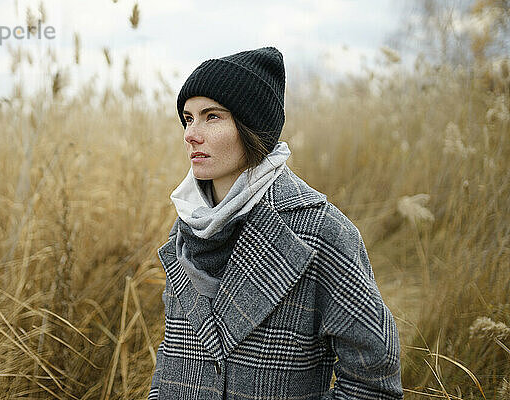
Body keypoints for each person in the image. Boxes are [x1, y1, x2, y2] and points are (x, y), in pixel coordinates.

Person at [148, 47, 403, 400]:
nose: (191, 133)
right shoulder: (188, 227)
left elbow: (373, 388)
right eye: (188, 118)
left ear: (251, 127)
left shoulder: (323, 233)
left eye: (212, 117)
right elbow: (168, 360)